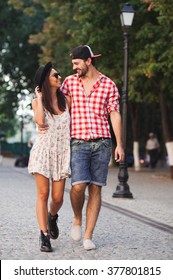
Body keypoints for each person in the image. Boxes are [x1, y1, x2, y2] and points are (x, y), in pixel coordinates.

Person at [61, 45, 124, 250]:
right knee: (78, 186)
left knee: (96, 187)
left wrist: (119, 144)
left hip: (102, 142)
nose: (74, 67)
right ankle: (77, 218)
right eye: (73, 64)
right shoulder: (70, 83)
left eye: (77, 63)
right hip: (78, 142)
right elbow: (63, 111)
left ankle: (88, 236)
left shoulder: (108, 85)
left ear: (88, 61)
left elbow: (114, 113)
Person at [28, 62, 71, 252]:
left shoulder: (67, 100)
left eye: (58, 74)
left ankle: (52, 217)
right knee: (43, 194)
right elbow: (39, 121)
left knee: (58, 197)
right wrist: (39, 96)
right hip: (43, 152)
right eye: (56, 75)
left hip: (62, 153)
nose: (59, 77)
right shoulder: (37, 102)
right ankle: (44, 235)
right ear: (46, 80)